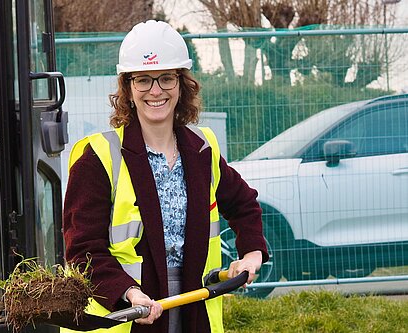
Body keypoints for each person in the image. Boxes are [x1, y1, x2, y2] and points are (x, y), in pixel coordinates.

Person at [63, 20, 269, 333]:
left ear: (181, 84)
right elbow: (83, 251)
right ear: (128, 89)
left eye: (166, 78)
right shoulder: (98, 158)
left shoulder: (201, 148)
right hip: (127, 318)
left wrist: (251, 255)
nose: (155, 90)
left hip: (191, 310)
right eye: (143, 80)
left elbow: (244, 205)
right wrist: (128, 293)